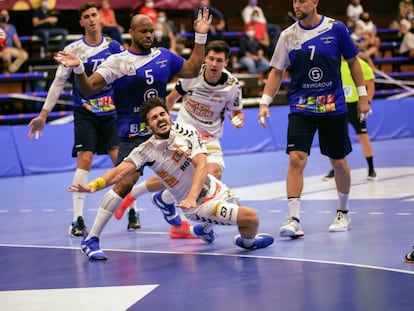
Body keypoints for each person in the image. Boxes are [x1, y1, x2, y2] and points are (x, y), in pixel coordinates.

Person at [54, 8, 212, 247]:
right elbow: (87, 89)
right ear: (131, 33)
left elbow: (191, 69)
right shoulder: (118, 62)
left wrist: (200, 37)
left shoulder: (164, 57)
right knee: (125, 182)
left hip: (162, 134)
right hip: (132, 135)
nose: (149, 35)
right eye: (143, 31)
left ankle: (190, 223)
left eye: (151, 31)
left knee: (194, 178)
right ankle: (92, 238)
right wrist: (78, 69)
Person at [68, 97, 274, 260]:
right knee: (251, 218)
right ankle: (233, 237)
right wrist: (94, 185)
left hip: (214, 189)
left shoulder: (186, 130)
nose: (160, 119)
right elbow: (120, 171)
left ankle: (238, 240)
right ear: (149, 128)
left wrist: (193, 194)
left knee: (244, 221)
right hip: (196, 206)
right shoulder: (146, 151)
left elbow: (202, 164)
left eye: (162, 114)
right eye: (154, 118)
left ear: (169, 116)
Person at [257, 0, 370, 238]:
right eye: (294, 0)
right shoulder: (287, 36)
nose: (297, 4)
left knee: (338, 162)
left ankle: (343, 211)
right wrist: (264, 102)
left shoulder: (336, 28)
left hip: (333, 106)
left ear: (315, 2)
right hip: (301, 107)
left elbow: (353, 62)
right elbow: (277, 71)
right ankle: (293, 219)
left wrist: (362, 97)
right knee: (296, 159)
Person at [116, 40, 244, 239]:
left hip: (209, 137)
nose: (214, 64)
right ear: (205, 59)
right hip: (184, 132)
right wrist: (162, 129)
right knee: (187, 175)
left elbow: (238, 111)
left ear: (226, 62)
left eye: (219, 60)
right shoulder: (191, 77)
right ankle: (199, 223)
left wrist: (238, 119)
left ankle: (166, 199)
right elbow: (170, 100)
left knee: (213, 174)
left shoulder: (232, 86)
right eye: (210, 59)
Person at [28, 3, 125, 237]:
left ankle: (130, 209)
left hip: (111, 112)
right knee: (86, 158)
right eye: (86, 17)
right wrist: (43, 114)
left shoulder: (114, 47)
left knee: (121, 163)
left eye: (94, 15)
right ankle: (77, 219)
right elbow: (58, 82)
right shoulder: (73, 50)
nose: (92, 19)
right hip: (85, 111)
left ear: (100, 18)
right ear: (81, 22)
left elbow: (126, 75)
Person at [323, 57, 376, 181]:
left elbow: (370, 84)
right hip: (339, 105)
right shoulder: (333, 63)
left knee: (363, 137)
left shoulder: (360, 64)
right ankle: (336, 168)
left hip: (355, 106)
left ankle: (371, 169)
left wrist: (367, 102)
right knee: (337, 139)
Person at [0, 9, 28, 73]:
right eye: (3, 15)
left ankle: (10, 70)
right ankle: (7, 74)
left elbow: (16, 40)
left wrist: (20, 49)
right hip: (1, 49)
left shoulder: (12, 27)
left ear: (8, 16)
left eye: (6, 15)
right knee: (6, 56)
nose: (5, 16)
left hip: (10, 49)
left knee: (24, 55)